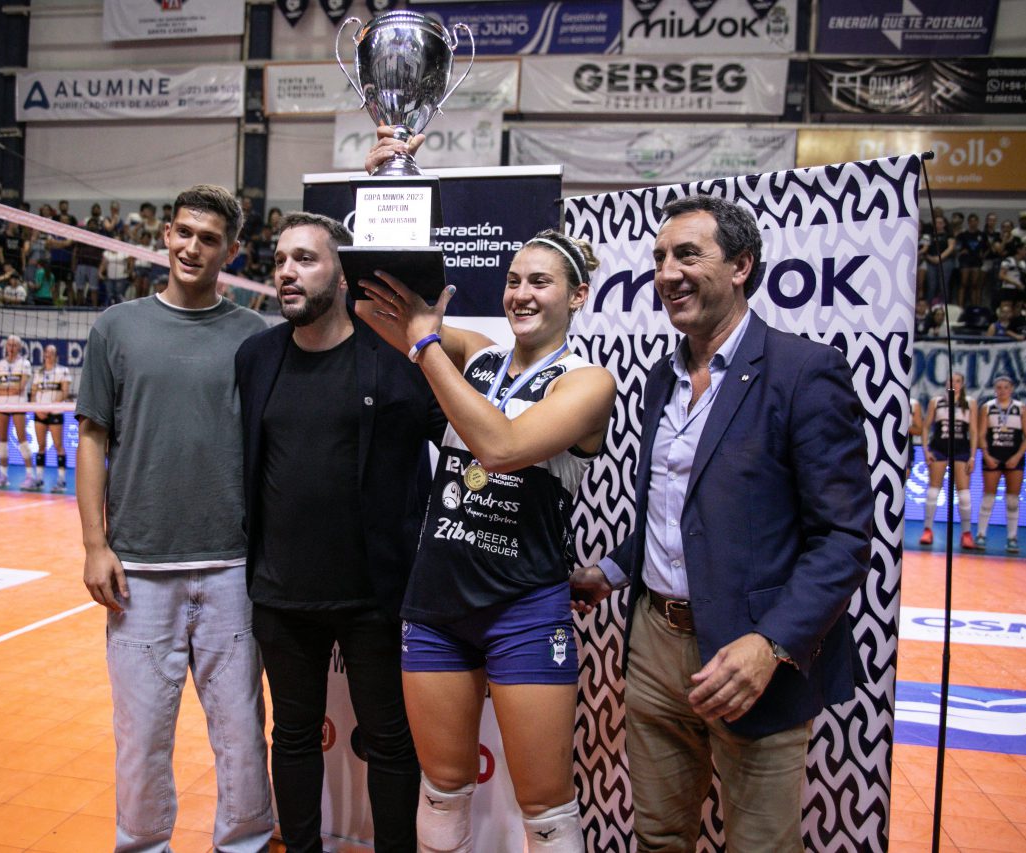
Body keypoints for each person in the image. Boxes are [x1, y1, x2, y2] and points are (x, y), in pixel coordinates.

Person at [567, 193, 870, 852]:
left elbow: (843, 539)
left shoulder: (804, 371)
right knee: (657, 836)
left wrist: (772, 644)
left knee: (761, 844)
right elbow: (677, 516)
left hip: (752, 656)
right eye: (658, 258)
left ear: (741, 265)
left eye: (686, 255)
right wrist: (609, 571)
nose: (667, 273)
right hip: (652, 645)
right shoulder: (660, 379)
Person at [365, 119, 617, 853]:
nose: (520, 293)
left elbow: (501, 448)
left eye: (540, 281)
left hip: (523, 606)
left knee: (547, 808)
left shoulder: (587, 382)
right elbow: (374, 301)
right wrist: (390, 187)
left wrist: (425, 345)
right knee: (442, 790)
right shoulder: (475, 354)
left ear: (577, 296)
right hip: (438, 601)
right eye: (512, 280)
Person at [234, 211, 448, 853]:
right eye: (280, 260)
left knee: (390, 740)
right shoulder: (256, 357)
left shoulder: (396, 359)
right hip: (281, 594)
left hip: (374, 597)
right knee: (293, 736)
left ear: (342, 274)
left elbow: (458, 439)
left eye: (305, 259)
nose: (287, 272)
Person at [76, 184, 272, 852]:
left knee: (242, 737)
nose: (192, 247)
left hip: (232, 570)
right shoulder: (116, 328)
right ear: (165, 235)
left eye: (209, 238)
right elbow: (93, 437)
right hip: (140, 571)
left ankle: (243, 844)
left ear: (231, 251)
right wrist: (95, 544)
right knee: (140, 740)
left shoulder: (255, 337)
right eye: (183, 232)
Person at [920, 372, 978, 550]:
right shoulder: (936, 402)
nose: (954, 383)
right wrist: (925, 450)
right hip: (939, 448)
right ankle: (927, 530)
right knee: (933, 492)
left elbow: (974, 431)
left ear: (962, 384)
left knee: (964, 494)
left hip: (961, 450)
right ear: (946, 383)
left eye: (958, 381)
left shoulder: (970, 403)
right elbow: (926, 427)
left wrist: (972, 456)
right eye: (951, 380)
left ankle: (966, 533)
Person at [975, 377, 1026, 552]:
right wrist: (986, 455)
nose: (1002, 391)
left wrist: (1017, 456)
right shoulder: (987, 407)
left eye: (1006, 387)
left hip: (1014, 457)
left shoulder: (1021, 408)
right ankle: (981, 535)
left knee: (1012, 500)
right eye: (999, 387)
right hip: (992, 456)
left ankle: (1012, 537)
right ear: (994, 389)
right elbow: (981, 435)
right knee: (988, 497)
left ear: (1012, 389)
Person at [26, 344, 71, 492]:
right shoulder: (38, 372)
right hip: (39, 412)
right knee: (41, 446)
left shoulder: (63, 371)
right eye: (47, 352)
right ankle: (39, 479)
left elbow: (64, 392)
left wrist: (50, 407)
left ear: (56, 356)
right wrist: (37, 408)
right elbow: (33, 393)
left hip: (55, 412)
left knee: (58, 445)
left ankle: (61, 480)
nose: (48, 355)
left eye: (52, 353)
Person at [0, 335, 33, 488]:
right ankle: (3, 475)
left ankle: (30, 476)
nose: (11, 348)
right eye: (9, 345)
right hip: (1, 405)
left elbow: (20, 388)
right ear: (6, 346)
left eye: (14, 345)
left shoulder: (24, 364)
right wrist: (9, 390)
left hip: (18, 405)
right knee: (2, 440)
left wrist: (1, 389)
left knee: (22, 439)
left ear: (19, 347)